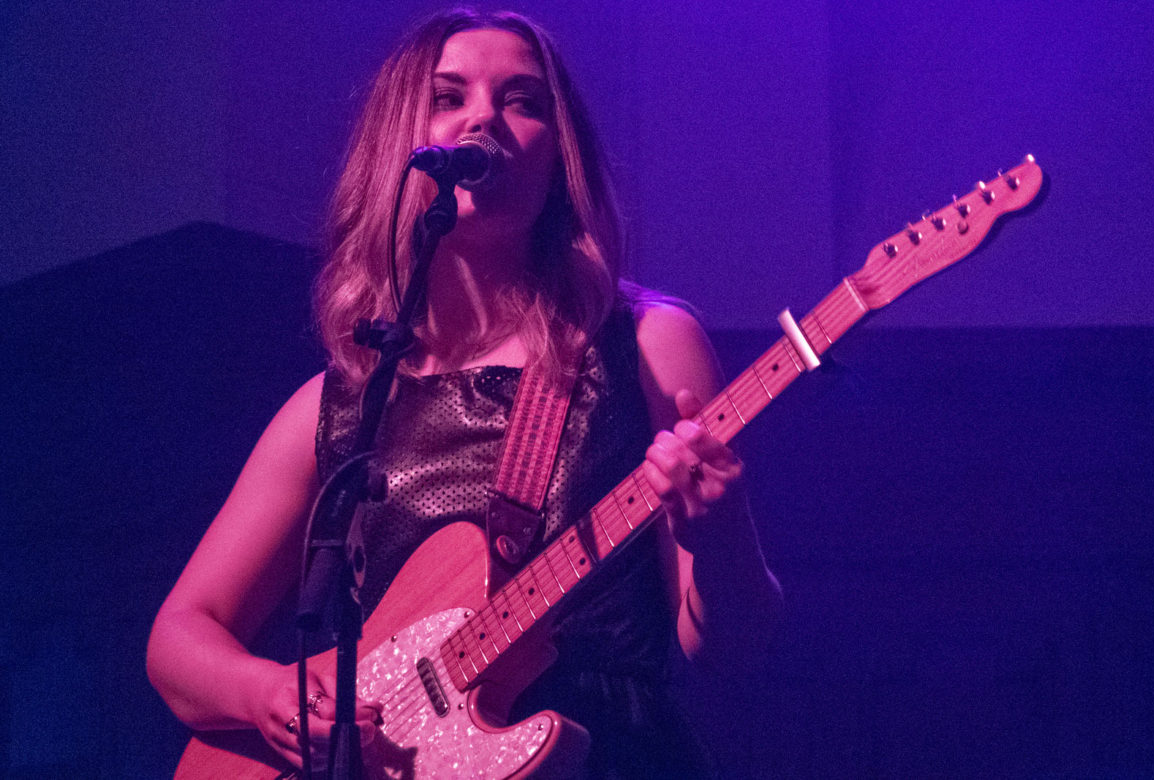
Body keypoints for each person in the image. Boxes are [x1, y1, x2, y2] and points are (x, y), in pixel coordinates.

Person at [147, 8, 781, 777]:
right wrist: (268, 695)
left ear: (559, 157)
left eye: (523, 101)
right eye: (449, 96)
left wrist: (723, 529)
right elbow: (181, 635)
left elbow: (730, 650)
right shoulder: (343, 400)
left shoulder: (644, 344)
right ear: (399, 149)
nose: (485, 115)